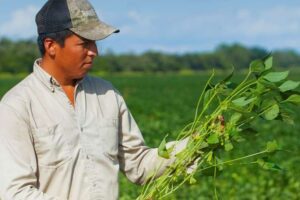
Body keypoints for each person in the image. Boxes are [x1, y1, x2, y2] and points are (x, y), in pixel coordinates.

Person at [0, 0, 189, 199]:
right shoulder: (17, 106)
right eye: (85, 43)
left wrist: (193, 144)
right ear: (51, 46)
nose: (94, 52)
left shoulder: (107, 94)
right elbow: (14, 192)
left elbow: (138, 164)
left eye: (95, 43)